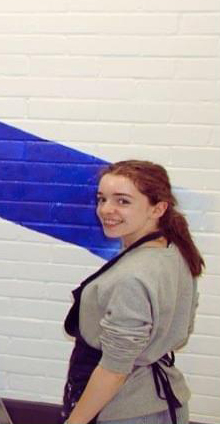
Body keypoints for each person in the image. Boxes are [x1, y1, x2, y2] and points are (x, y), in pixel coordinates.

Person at [61, 160, 202, 424]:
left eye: (123, 201)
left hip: (125, 411)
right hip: (163, 402)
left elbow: (114, 371)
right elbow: (181, 330)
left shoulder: (133, 276)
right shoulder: (176, 251)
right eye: (102, 199)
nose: (106, 209)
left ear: (158, 208)